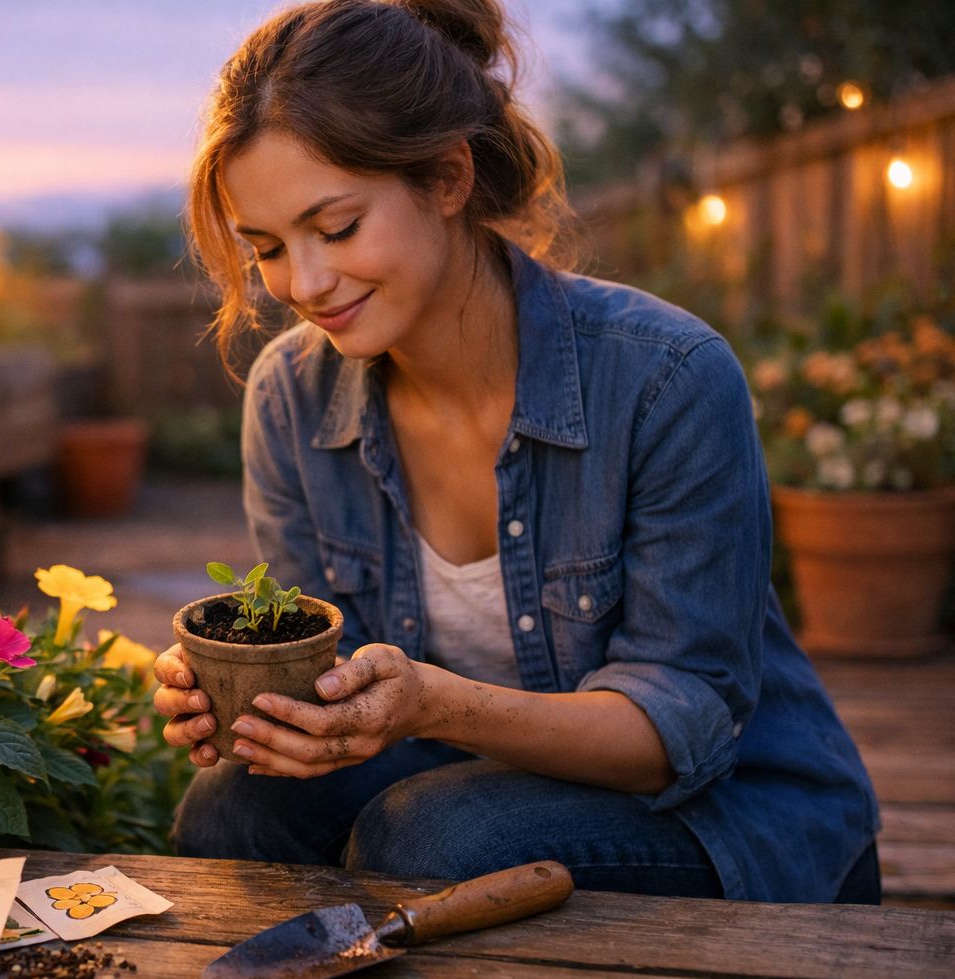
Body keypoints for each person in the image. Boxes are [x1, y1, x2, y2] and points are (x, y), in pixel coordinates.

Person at [152, 0, 880, 903]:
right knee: (235, 808)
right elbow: (330, 676)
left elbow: (676, 736)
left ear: (447, 178)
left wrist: (431, 702)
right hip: (454, 773)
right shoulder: (291, 396)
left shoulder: (666, 378)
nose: (305, 283)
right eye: (266, 248)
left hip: (724, 808)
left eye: (336, 229)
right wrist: (241, 693)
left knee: (429, 835)